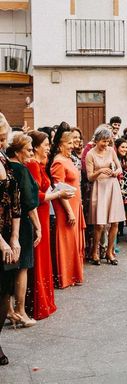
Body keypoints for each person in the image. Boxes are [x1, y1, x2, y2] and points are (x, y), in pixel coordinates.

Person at [26, 131, 74, 320]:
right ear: (36, 147)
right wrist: (58, 195)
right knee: (39, 256)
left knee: (44, 256)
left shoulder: (41, 164)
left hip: (45, 212)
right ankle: (37, 304)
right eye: (45, 145)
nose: (48, 147)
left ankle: (45, 301)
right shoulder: (32, 165)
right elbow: (34, 196)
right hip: (38, 212)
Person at [5, 134, 41, 327]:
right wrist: (38, 226)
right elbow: (29, 203)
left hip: (5, 223)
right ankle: (21, 311)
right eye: (28, 149)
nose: (31, 153)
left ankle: (9, 311)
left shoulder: (4, 166)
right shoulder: (22, 170)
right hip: (22, 224)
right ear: (18, 151)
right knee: (22, 267)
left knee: (7, 269)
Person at [85, 126, 126, 265]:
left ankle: (110, 252)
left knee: (115, 222)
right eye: (103, 141)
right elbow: (90, 177)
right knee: (100, 224)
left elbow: (119, 167)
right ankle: (95, 252)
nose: (106, 144)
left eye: (108, 141)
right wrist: (101, 170)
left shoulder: (111, 150)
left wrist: (116, 172)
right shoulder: (90, 154)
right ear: (96, 140)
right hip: (99, 188)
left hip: (112, 186)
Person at [51, 131, 86, 288]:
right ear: (60, 145)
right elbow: (59, 189)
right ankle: (65, 277)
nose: (73, 146)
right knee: (66, 239)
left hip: (74, 204)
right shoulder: (58, 162)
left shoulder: (68, 159)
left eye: (73, 143)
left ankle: (73, 274)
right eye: (69, 143)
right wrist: (69, 211)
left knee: (73, 240)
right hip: (66, 206)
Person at [0, 113, 22, 365]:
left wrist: (14, 237)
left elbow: (15, 202)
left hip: (8, 231)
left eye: (4, 138)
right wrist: (3, 242)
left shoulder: (4, 159)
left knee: (4, 291)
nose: (2, 142)